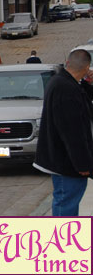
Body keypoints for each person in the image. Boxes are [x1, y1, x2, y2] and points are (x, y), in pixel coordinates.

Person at [34, 49, 93, 216]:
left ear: (68, 62)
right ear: (87, 66)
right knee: (66, 202)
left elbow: (86, 107)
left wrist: (88, 84)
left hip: (66, 160)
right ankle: (63, 240)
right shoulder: (65, 88)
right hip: (67, 163)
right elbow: (72, 131)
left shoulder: (65, 82)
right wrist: (82, 164)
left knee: (67, 201)